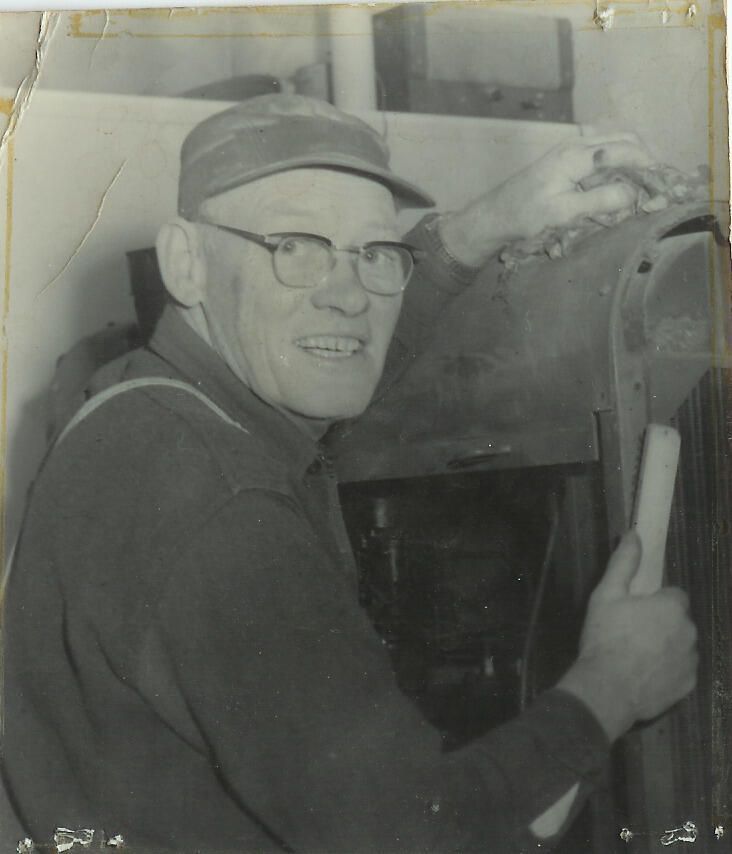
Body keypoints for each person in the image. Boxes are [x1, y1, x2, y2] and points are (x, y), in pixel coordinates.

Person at [1, 95, 697, 853]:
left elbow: (329, 352)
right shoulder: (224, 507)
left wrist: (484, 226)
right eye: (294, 247)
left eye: (374, 254)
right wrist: (608, 691)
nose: (346, 295)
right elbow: (410, 838)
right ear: (186, 263)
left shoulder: (139, 405)